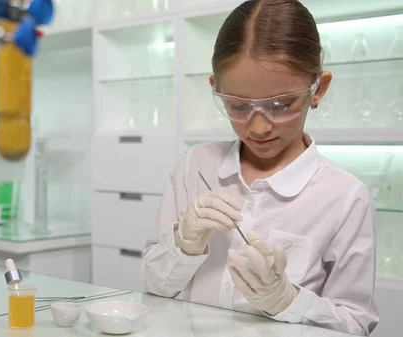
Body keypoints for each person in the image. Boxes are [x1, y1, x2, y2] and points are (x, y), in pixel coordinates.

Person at [140, 0, 379, 335]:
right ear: (217, 90)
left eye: (281, 104)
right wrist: (185, 245)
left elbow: (356, 323)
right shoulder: (196, 166)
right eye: (238, 106)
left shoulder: (344, 197)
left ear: (318, 89)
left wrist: (287, 300)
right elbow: (154, 288)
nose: (259, 127)